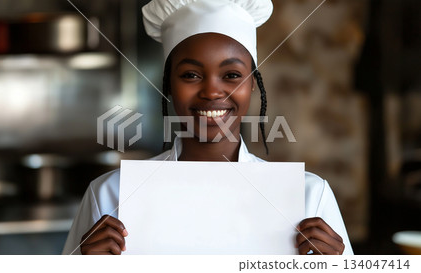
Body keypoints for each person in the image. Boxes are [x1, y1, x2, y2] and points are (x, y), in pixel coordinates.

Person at [62, 0, 353, 255]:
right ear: (169, 86)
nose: (212, 91)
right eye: (190, 74)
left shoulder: (309, 197)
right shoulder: (110, 195)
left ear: (252, 83)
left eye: (231, 74)